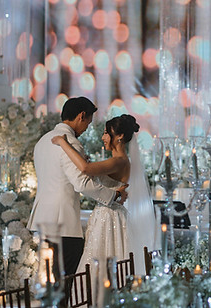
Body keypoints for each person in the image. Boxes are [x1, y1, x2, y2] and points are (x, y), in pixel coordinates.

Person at [27, 97, 129, 277]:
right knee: (66, 280)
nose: (86, 128)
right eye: (88, 123)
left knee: (53, 278)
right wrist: (113, 196)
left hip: (42, 219)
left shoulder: (43, 141)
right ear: (81, 116)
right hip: (62, 222)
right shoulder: (71, 143)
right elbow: (81, 183)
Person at [51, 114, 157, 280]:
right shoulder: (117, 161)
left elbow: (86, 169)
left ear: (120, 136)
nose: (103, 137)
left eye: (107, 133)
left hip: (109, 218)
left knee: (103, 260)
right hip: (107, 215)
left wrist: (63, 143)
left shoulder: (119, 161)